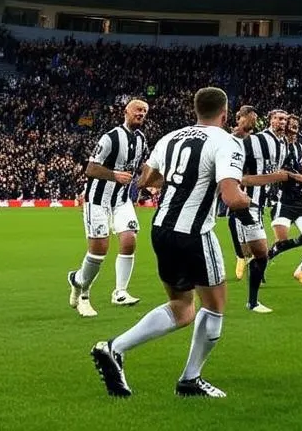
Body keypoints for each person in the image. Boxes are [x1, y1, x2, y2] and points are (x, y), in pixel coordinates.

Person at [89, 86, 253, 399]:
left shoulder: (171, 137)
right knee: (215, 307)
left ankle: (114, 348)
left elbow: (145, 181)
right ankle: (190, 380)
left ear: (196, 111)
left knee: (182, 307)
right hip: (194, 234)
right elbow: (232, 198)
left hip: (161, 229)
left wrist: (183, 182)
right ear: (225, 113)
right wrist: (248, 204)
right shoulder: (227, 141)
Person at [68, 98, 149, 317]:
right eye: (137, 110)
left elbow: (142, 166)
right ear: (126, 111)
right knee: (99, 249)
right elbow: (91, 168)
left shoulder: (142, 139)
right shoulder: (111, 137)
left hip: (122, 201)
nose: (141, 114)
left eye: (144, 111)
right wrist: (114, 175)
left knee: (129, 240)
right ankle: (81, 289)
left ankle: (120, 292)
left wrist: (155, 179)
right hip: (98, 201)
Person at [228, 105, 287, 314]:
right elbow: (238, 175)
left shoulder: (284, 144)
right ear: (270, 120)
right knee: (261, 253)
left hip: (259, 205)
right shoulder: (254, 141)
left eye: (284, 119)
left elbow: (277, 173)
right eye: (278, 118)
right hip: (247, 204)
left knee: (258, 254)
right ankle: (252, 302)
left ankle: (251, 300)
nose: (282, 122)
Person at [265, 115, 302, 286]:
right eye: (291, 123)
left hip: (300, 200)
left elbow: (300, 164)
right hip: (282, 199)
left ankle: (301, 271)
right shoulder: (278, 145)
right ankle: (262, 261)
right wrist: (298, 176)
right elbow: (276, 170)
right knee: (281, 242)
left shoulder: (300, 145)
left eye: (297, 123)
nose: (295, 125)